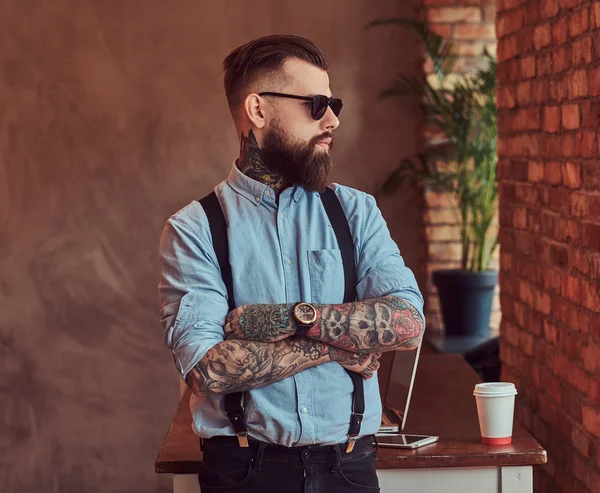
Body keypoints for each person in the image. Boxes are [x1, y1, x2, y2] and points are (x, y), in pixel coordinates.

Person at [157, 34, 425, 493]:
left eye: (333, 103)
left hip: (349, 468)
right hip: (244, 473)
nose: (333, 119)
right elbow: (209, 368)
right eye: (316, 103)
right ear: (258, 110)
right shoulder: (194, 229)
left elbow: (406, 322)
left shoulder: (354, 212)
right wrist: (337, 347)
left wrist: (288, 319)